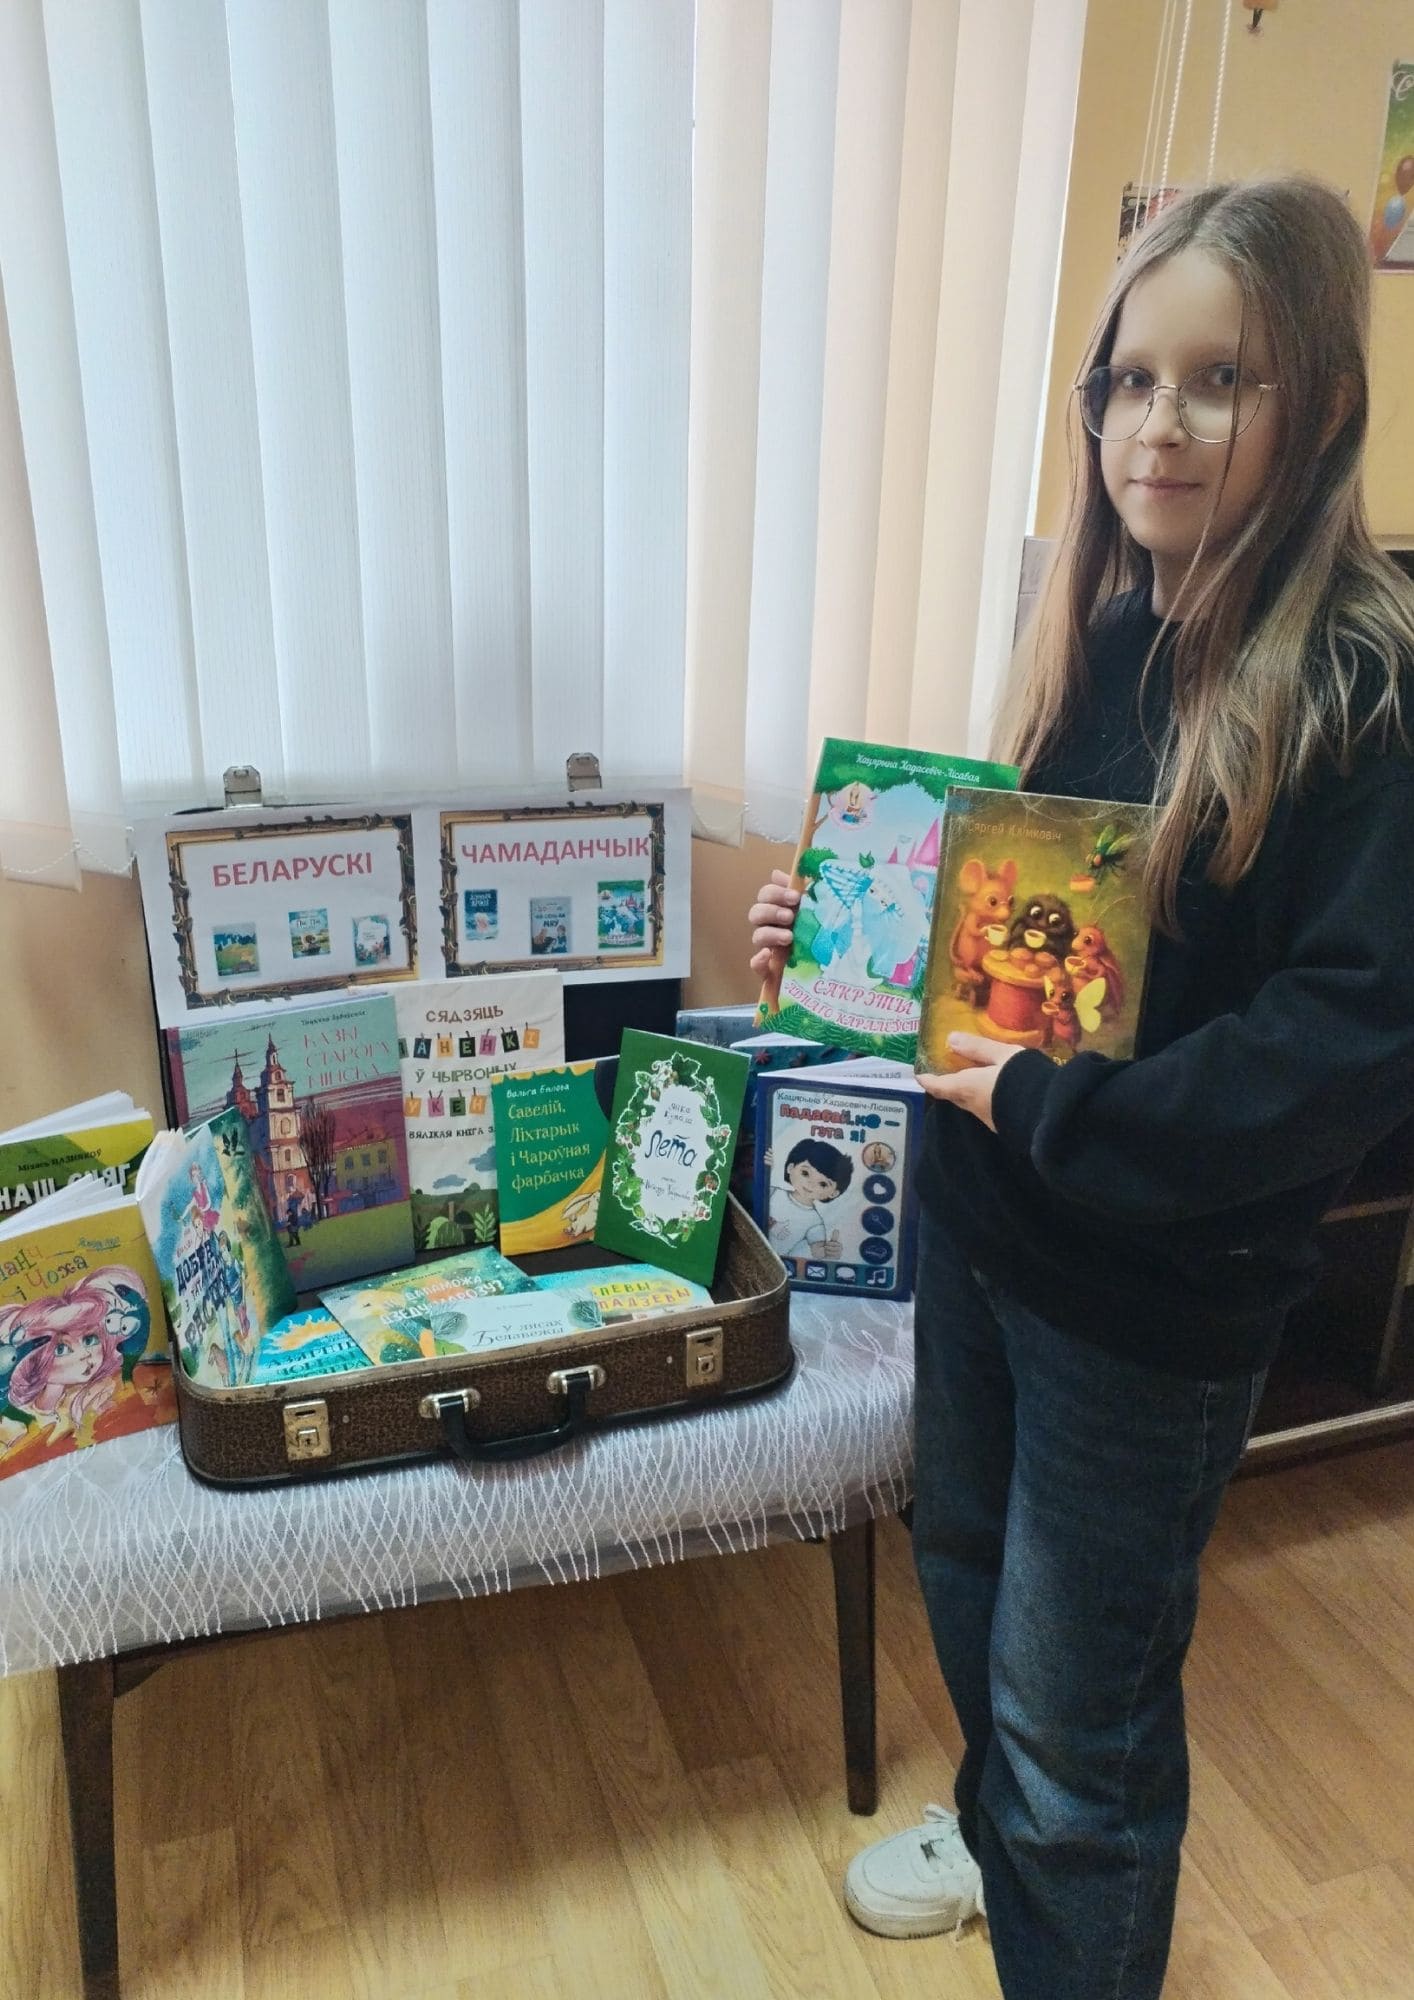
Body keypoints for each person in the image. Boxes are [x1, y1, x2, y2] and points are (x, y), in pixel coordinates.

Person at [748, 175, 1414, 2000]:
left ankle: (1048, 1880)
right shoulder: (1107, 629)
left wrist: (1051, 1113)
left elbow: (1335, 1052)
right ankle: (1000, 1831)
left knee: (1080, 1731)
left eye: (1217, 379)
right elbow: (1043, 943)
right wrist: (852, 939)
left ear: (1316, 405)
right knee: (968, 1588)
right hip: (989, 1237)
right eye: (1126, 380)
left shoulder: (1359, 689)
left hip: (1148, 1305)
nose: (1156, 425)